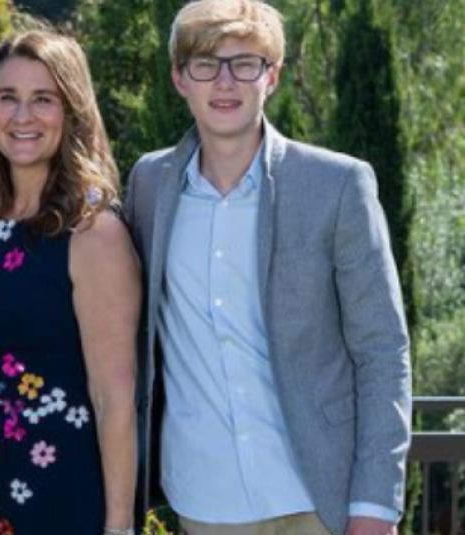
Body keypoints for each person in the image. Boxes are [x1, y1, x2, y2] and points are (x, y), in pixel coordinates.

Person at [124, 1, 412, 534]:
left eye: (245, 63)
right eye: (206, 64)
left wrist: (376, 504)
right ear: (179, 78)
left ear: (272, 76)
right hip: (205, 501)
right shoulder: (147, 185)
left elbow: (382, 351)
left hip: (321, 499)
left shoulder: (336, 185)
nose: (225, 81)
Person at [0, 30, 140, 535]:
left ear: (72, 111)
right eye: (8, 97)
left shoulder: (93, 231)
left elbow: (115, 397)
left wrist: (119, 527)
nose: (23, 115)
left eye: (43, 99)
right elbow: (6, 341)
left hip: (61, 491)